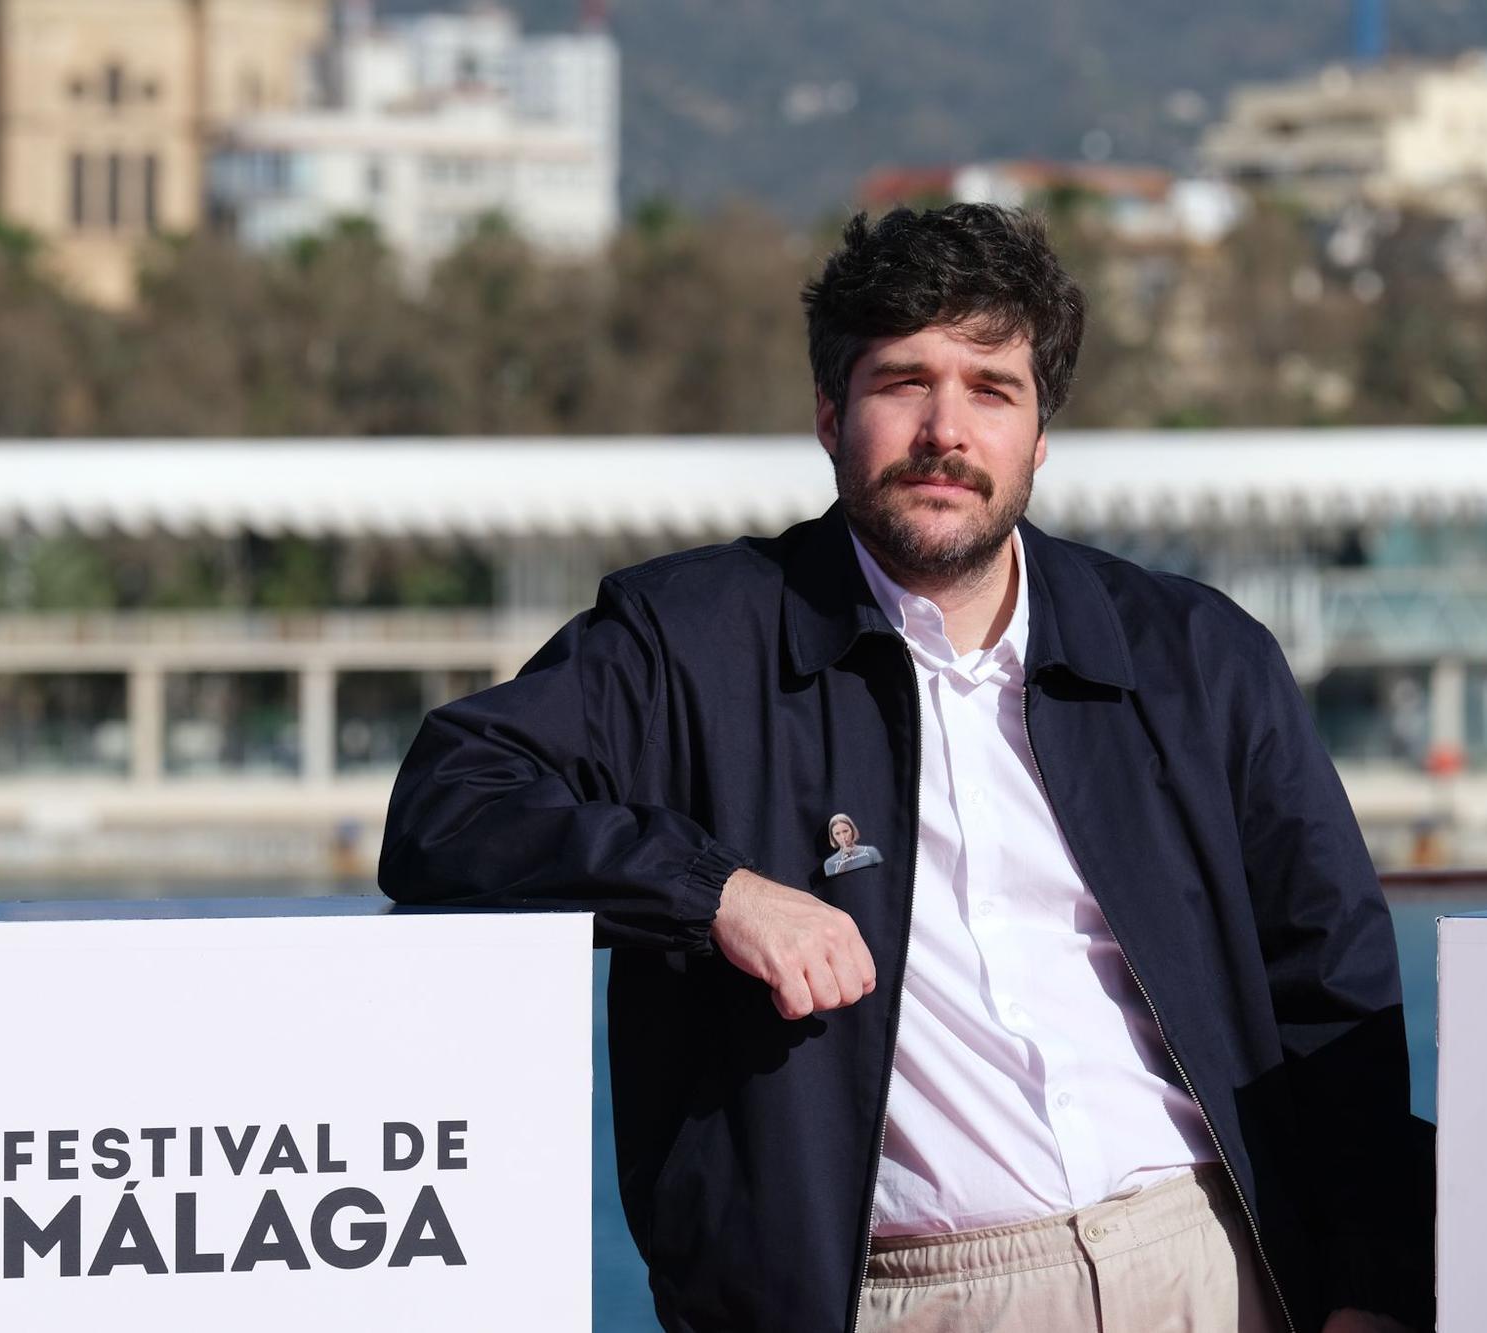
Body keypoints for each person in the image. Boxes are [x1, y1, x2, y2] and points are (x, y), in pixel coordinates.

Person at [379, 204, 1432, 1333]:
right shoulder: (686, 639)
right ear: (830, 416)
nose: (946, 429)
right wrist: (711, 893)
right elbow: (446, 805)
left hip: (1209, 1268)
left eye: (991, 387)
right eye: (902, 383)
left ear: (1039, 437)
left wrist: (1369, 1287)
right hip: (896, 1301)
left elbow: (1331, 995)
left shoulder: (1195, 655)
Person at [822, 812, 883, 877]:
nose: (843, 837)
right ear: (833, 837)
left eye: (845, 831)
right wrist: (843, 861)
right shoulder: (829, 863)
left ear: (852, 830)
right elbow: (836, 882)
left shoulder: (871, 852)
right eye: (837, 834)